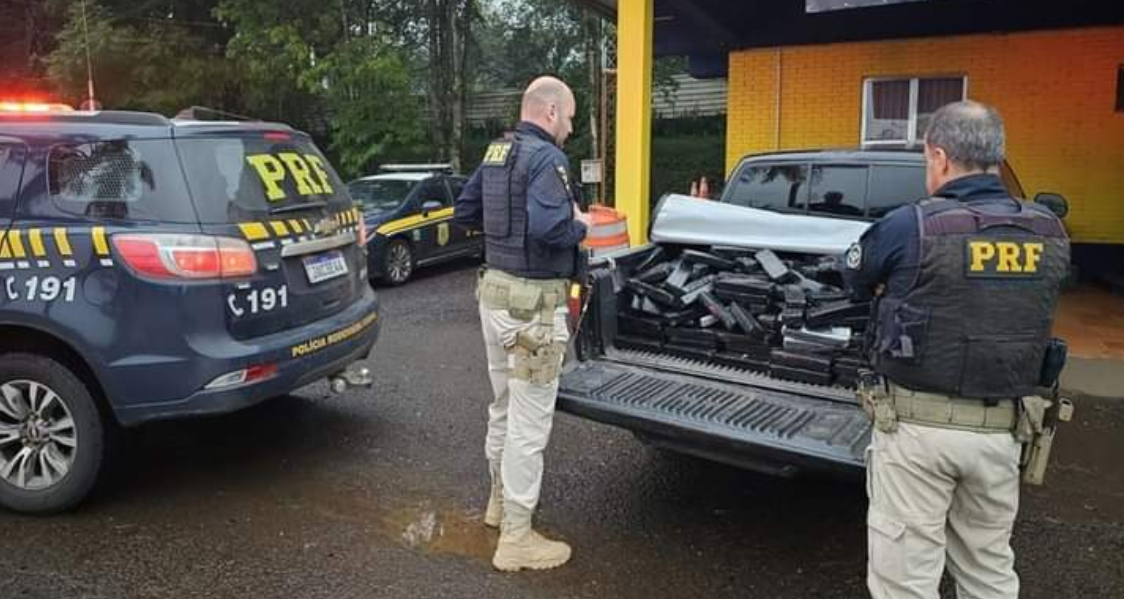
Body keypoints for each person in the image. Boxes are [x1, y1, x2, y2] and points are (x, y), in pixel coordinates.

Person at [843, 100, 1070, 599]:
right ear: (997, 155)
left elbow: (855, 277)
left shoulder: (911, 226)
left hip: (918, 432)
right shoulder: (1050, 231)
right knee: (988, 571)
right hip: (1003, 432)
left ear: (940, 157)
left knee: (905, 579)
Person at [454, 75, 592, 572]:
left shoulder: (497, 151)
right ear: (551, 112)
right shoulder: (547, 158)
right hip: (533, 310)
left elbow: (465, 209)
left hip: (493, 297)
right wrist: (583, 223)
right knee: (528, 428)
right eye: (571, 117)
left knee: (503, 408)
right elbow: (553, 227)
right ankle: (516, 539)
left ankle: (496, 506)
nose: (571, 129)